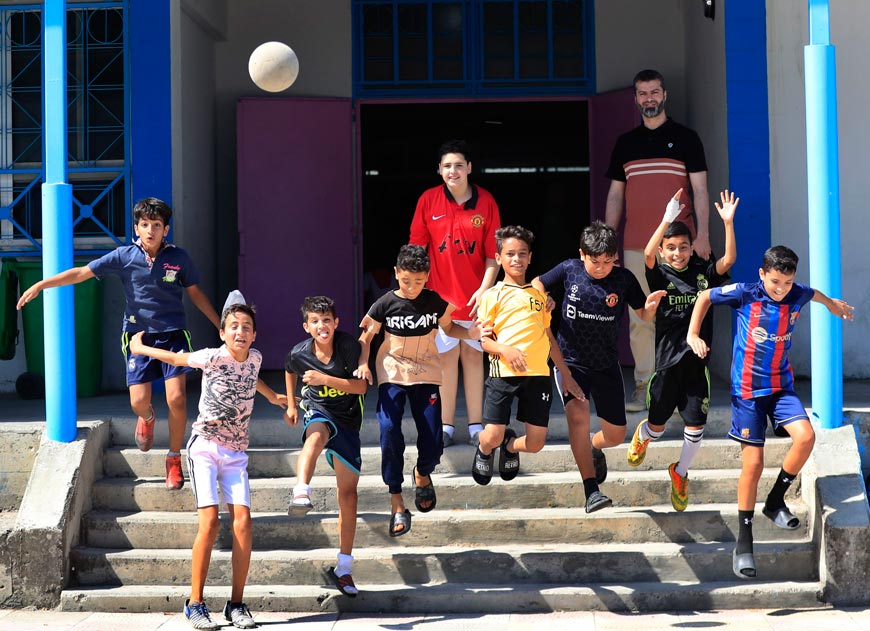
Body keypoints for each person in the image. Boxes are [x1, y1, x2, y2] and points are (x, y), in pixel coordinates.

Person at [16, 197, 220, 490]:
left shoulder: (179, 258)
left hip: (174, 335)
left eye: (157, 225)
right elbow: (81, 273)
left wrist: (219, 325)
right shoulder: (124, 256)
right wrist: (40, 284)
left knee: (176, 398)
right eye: (145, 224)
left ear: (166, 230)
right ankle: (147, 418)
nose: (151, 230)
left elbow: (196, 294)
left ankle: (174, 458)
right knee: (139, 402)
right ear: (137, 228)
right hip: (138, 337)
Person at [687, 246, 853, 579]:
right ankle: (744, 542)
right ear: (763, 275)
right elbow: (705, 296)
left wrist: (832, 305)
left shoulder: (797, 294)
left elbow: (813, 293)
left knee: (806, 437)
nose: (781, 289)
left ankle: (775, 500)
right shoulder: (746, 293)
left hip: (780, 387)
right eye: (776, 281)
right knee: (754, 463)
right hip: (747, 392)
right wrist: (692, 334)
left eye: (787, 282)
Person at [129, 298, 287, 630]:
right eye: (233, 327)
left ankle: (237, 604)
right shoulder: (212, 357)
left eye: (246, 328)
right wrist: (141, 348)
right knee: (211, 522)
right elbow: (174, 357)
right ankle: (195, 603)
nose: (240, 332)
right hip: (205, 448)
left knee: (243, 524)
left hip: (236, 453)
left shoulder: (256, 358)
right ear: (222, 333)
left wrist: (273, 397)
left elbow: (253, 377)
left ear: (255, 335)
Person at [533, 222, 665, 513]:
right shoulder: (569, 269)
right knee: (578, 418)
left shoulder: (624, 280)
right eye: (595, 262)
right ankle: (591, 490)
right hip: (570, 362)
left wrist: (651, 307)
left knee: (616, 435)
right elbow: (537, 284)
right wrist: (544, 299)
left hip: (606, 364)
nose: (601, 268)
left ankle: (594, 447)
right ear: (582, 254)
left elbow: (641, 313)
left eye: (608, 262)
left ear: (615, 258)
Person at [355, 245, 481, 537]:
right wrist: (364, 364)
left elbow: (450, 329)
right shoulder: (384, 304)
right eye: (406, 280)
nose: (412, 288)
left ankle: (422, 473)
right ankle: (397, 501)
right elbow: (366, 337)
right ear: (397, 273)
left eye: (419, 282)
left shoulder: (434, 302)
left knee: (434, 439)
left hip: (426, 372)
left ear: (427, 278)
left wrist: (471, 333)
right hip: (392, 371)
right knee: (389, 432)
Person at [605, 69, 710, 412]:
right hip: (638, 245)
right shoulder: (625, 143)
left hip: (680, 247)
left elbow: (700, 190)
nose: (648, 99)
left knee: (685, 317)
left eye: (654, 92)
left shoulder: (686, 138)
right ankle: (645, 387)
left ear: (664, 95)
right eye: (642, 94)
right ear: (635, 99)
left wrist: (704, 235)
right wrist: (608, 241)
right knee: (641, 319)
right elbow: (616, 196)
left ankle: (683, 391)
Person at [626, 189, 737, 512]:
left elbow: (728, 261)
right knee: (658, 427)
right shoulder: (660, 272)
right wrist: (667, 218)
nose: (678, 253)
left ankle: (680, 472)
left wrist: (727, 223)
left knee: (696, 426)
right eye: (671, 248)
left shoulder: (702, 274)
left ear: (692, 249)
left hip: (695, 365)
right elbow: (647, 255)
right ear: (664, 251)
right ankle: (644, 435)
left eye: (683, 247)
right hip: (666, 365)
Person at [471, 226, 583, 487]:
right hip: (503, 375)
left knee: (535, 444)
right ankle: (486, 450)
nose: (516, 259)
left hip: (538, 376)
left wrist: (565, 375)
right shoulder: (491, 296)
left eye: (522, 254)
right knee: (491, 436)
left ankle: (510, 446)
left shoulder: (539, 296)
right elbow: (484, 341)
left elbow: (548, 337)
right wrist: (505, 350)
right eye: (510, 254)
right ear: (498, 258)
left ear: (530, 257)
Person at [409, 139, 501, 447]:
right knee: (445, 361)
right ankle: (446, 427)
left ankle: (476, 426)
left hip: (477, 299)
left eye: (459, 165)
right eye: (447, 166)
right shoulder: (428, 201)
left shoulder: (486, 202)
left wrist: (484, 290)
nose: (453, 171)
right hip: (440, 300)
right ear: (439, 170)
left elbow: (494, 255)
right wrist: (417, 293)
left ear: (470, 168)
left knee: (475, 359)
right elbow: (416, 250)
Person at [283, 296, 368, 597]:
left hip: (348, 423)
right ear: (306, 326)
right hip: (318, 410)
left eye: (327, 320)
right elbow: (289, 369)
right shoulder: (299, 352)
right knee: (316, 435)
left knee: (349, 495)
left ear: (336, 323)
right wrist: (292, 405)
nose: (322, 326)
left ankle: (343, 568)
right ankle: (301, 491)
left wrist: (324, 377)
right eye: (315, 321)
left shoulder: (348, 347)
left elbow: (360, 386)